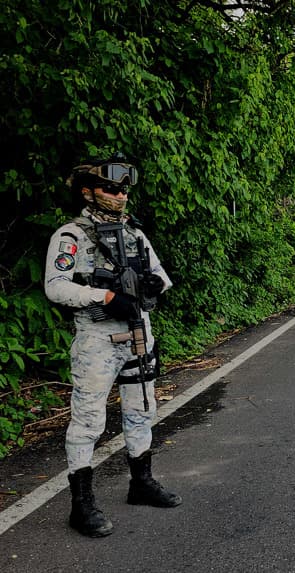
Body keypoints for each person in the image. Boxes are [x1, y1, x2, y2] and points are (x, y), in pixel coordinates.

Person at [44, 153, 181, 538]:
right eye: (110, 189)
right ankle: (81, 505)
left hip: (138, 332)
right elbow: (55, 286)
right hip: (97, 339)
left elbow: (161, 275)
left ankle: (141, 483)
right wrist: (103, 297)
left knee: (142, 410)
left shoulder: (135, 234)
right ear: (88, 192)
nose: (120, 196)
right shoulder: (70, 236)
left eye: (123, 190)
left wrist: (155, 284)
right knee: (89, 419)